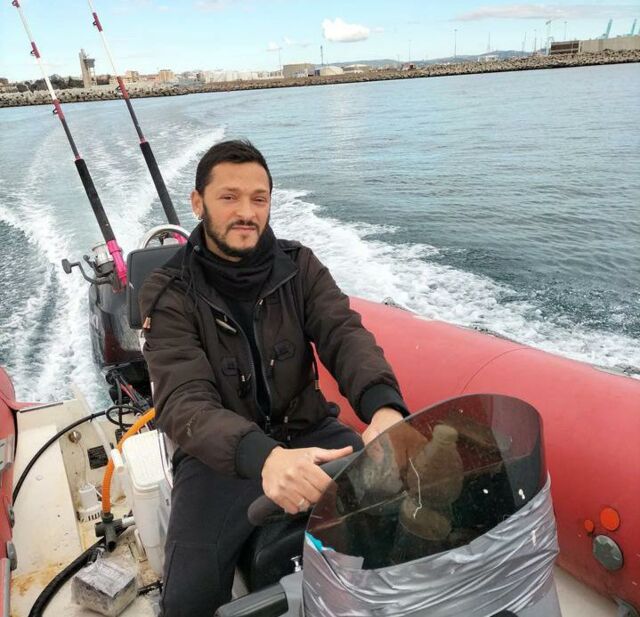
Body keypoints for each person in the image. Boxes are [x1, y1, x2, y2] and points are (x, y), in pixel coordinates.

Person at [139, 139, 408, 616]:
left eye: (258, 198)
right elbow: (183, 400)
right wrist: (264, 457)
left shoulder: (300, 266)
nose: (246, 212)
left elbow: (345, 335)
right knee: (187, 600)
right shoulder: (168, 293)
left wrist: (385, 408)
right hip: (218, 459)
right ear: (198, 203)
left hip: (309, 429)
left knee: (405, 518)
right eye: (229, 197)